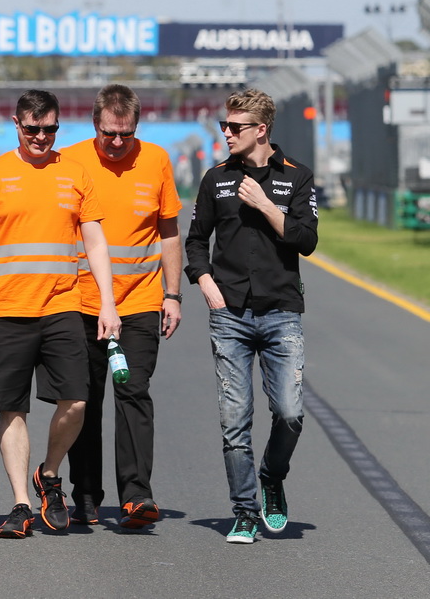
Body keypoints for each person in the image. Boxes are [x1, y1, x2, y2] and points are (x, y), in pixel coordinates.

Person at [0, 89, 121, 538]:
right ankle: (20, 504)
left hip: (62, 305)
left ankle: (49, 474)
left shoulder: (76, 173)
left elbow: (95, 242)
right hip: (7, 309)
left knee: (78, 399)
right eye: (33, 129)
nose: (41, 137)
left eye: (50, 129)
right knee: (11, 408)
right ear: (16, 125)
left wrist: (107, 302)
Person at [184, 88, 318, 544]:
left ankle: (272, 477)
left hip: (282, 311)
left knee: (290, 412)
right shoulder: (215, 178)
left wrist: (264, 203)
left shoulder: (297, 177)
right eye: (225, 125)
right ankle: (244, 511)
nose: (226, 132)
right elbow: (196, 240)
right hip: (230, 314)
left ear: (261, 130)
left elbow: (306, 240)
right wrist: (205, 284)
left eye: (235, 127)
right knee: (234, 418)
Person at [61, 84, 183, 530]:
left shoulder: (156, 161)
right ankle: (87, 495)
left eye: (125, 135)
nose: (117, 143)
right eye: (110, 134)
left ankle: (137, 495)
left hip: (141, 300)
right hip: (80, 301)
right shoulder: (70, 161)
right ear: (95, 125)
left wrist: (172, 294)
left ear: (137, 128)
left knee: (133, 391)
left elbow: (168, 231)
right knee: (84, 399)